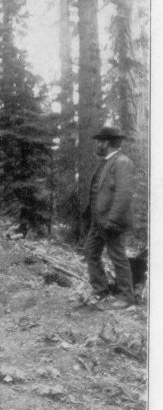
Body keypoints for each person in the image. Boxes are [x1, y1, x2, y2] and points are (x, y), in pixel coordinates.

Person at [81, 126, 135, 308]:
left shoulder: (122, 162)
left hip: (111, 222)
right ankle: (101, 290)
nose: (97, 144)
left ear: (107, 143)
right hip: (98, 221)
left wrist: (112, 220)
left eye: (99, 141)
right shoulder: (107, 161)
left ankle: (127, 297)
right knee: (90, 252)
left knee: (118, 257)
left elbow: (124, 195)